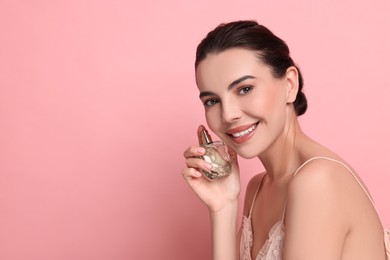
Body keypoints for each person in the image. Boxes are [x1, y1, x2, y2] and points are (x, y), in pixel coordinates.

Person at [182, 20, 390, 260]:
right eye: (212, 101)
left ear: (290, 84)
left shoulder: (317, 181)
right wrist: (223, 207)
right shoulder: (257, 188)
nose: (228, 114)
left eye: (245, 89)